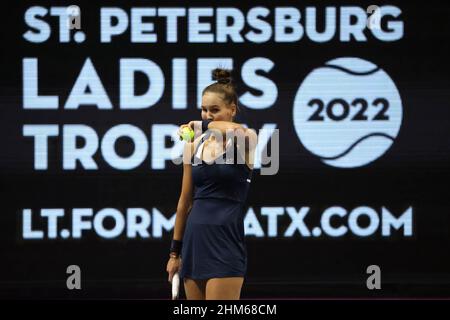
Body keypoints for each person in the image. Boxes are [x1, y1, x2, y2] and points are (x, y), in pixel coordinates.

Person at [166, 68, 258, 300]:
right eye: (204, 110)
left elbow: (238, 130)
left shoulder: (245, 141)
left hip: (225, 245)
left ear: (232, 110)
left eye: (214, 110)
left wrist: (202, 126)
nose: (207, 115)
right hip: (194, 244)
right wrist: (175, 254)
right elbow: (184, 202)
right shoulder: (192, 146)